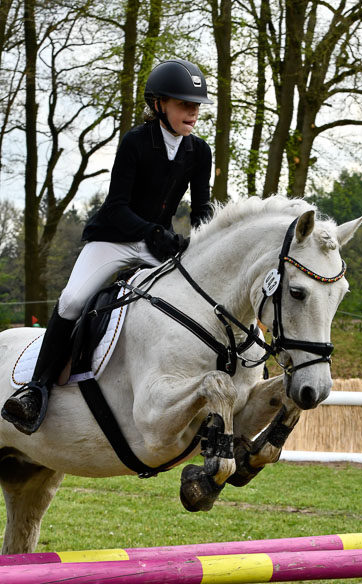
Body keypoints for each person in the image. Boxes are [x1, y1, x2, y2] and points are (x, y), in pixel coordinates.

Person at [2, 58, 213, 435]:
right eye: (185, 104)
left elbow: (201, 211)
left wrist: (201, 245)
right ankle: (35, 389)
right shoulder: (135, 142)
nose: (193, 112)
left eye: (196, 105)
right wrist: (154, 233)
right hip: (113, 239)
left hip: (155, 246)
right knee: (71, 300)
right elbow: (116, 207)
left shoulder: (199, 152)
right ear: (160, 104)